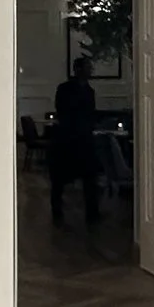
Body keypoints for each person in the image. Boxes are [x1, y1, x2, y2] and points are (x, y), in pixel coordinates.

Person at [47, 57, 100, 227]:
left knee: (88, 177)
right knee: (61, 177)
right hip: (68, 139)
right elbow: (64, 111)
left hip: (81, 138)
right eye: (88, 67)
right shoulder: (68, 89)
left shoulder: (88, 91)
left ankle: (92, 213)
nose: (90, 71)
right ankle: (58, 210)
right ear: (78, 69)